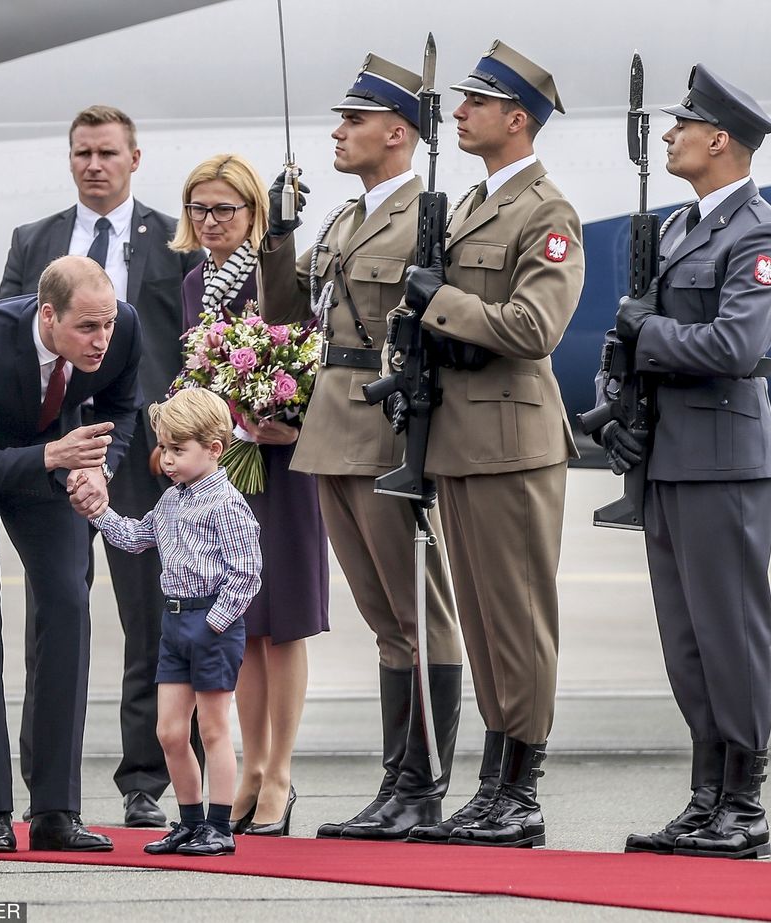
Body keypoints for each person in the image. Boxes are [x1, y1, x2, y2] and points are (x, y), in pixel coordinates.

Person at [257, 54, 462, 841]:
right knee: (384, 620)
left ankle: (424, 784)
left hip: (387, 427)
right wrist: (279, 232)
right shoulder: (345, 220)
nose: (338, 133)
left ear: (398, 132)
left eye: (354, 121)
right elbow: (287, 310)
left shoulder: (426, 216)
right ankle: (396, 782)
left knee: (419, 613)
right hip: (331, 428)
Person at [398, 40, 585, 848]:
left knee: (517, 622)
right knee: (480, 624)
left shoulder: (547, 212)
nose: (460, 113)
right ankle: (491, 785)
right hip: (462, 442)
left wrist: (440, 301)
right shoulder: (474, 204)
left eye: (477, 103)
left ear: (518, 119)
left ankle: (522, 791)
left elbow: (534, 328)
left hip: (512, 443)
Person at [0, 105, 204, 828]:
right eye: (82, 152)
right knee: (54, 618)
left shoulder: (171, 243)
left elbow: (189, 345)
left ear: (134, 159)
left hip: (145, 453)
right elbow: (8, 340)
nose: (94, 164)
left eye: (107, 152)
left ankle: (145, 777)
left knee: (150, 619)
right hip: (57, 453)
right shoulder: (36, 242)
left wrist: (178, 440)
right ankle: (45, 778)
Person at [611, 65, 771, 861]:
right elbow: (634, 336)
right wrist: (615, 400)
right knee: (686, 641)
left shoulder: (761, 233)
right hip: (671, 458)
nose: (670, 134)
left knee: (730, 636)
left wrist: (644, 334)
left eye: (683, 125)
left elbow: (735, 345)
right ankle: (705, 796)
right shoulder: (682, 228)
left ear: (719, 139)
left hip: (725, 460)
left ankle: (744, 805)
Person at [0, 255, 141, 853]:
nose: (102, 340)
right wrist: (56, 457)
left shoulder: (124, 330)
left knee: (68, 600)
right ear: (48, 316)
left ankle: (56, 811)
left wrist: (102, 472)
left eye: (108, 324)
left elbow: (122, 408)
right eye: (87, 328)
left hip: (53, 451)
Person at [174, 153, 329, 836]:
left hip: (283, 464)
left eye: (224, 210)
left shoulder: (279, 276)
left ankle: (279, 772)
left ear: (254, 215)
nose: (210, 222)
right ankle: (248, 765)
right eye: (199, 209)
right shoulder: (191, 285)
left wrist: (282, 416)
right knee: (244, 622)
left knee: (284, 620)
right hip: (228, 467)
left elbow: (310, 357)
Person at [78, 387, 262, 857]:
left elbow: (246, 572)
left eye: (179, 450)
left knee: (214, 728)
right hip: (175, 623)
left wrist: (216, 622)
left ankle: (219, 826)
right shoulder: (173, 501)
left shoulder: (227, 504)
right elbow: (138, 537)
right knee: (170, 732)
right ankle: (190, 820)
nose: (167, 460)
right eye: (164, 449)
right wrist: (100, 513)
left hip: (209, 624)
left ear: (214, 449)